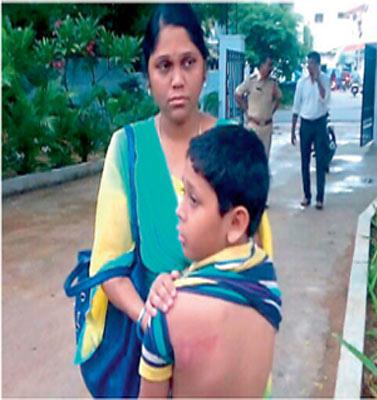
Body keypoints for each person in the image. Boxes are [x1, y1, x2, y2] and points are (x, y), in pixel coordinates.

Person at [75, 4, 273, 392]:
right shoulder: (128, 148)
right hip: (152, 354)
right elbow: (110, 266)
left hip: (223, 352)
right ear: (148, 75)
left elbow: (258, 254)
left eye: (189, 62)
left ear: (205, 68)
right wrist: (150, 315)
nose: (177, 79)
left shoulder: (235, 145)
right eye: (163, 66)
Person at [138, 125, 280, 397]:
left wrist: (152, 314)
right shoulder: (268, 287)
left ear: (236, 222)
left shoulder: (170, 313)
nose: (178, 211)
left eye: (193, 199)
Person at [291, 51, 331, 210]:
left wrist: (317, 81)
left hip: (320, 123)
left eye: (312, 63)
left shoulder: (326, 80)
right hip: (306, 124)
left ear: (318, 65)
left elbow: (325, 99)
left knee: (320, 162)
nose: (309, 66)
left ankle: (320, 198)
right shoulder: (301, 83)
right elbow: (296, 106)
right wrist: (293, 129)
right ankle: (307, 195)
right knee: (305, 162)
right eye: (308, 63)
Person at [235, 53, 282, 159]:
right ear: (261, 65)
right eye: (268, 65)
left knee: (264, 158)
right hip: (253, 126)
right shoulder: (251, 81)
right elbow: (238, 94)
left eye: (271, 65)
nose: (271, 68)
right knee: (251, 158)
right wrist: (246, 110)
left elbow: (278, 98)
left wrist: (271, 111)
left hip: (267, 127)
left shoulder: (272, 83)